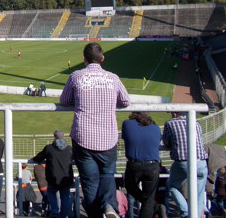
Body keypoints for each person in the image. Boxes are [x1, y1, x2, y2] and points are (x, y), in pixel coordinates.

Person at [60, 42, 130, 218]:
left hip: (83, 137)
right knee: (107, 175)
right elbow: (125, 101)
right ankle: (108, 206)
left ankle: (95, 214)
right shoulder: (113, 78)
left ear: (84, 59)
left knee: (90, 182)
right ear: (102, 58)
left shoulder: (76, 76)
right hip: (108, 137)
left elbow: (64, 100)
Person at [163, 112, 208, 218]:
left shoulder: (170, 123)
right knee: (199, 193)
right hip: (201, 162)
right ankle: (195, 215)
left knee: (172, 185)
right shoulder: (196, 123)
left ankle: (186, 212)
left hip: (183, 161)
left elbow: (166, 142)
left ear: (174, 113)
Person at [121, 112, 161, 218]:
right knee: (148, 199)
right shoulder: (155, 126)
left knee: (131, 188)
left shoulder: (127, 124)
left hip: (135, 164)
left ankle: (152, 204)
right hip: (153, 165)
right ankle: (153, 204)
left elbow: (126, 137)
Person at [32, 129, 73, 218]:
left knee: (51, 194)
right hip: (65, 178)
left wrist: (34, 159)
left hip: (53, 178)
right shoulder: (69, 149)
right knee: (65, 198)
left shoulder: (49, 148)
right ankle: (64, 215)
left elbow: (37, 158)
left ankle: (54, 212)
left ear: (54, 137)